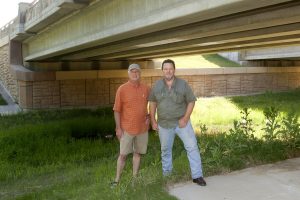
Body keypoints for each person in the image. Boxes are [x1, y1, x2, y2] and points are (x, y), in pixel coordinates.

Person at [148, 59, 206, 186]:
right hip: (164, 124)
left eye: (170, 68)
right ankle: (167, 176)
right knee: (165, 151)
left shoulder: (183, 84)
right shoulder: (157, 85)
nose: (168, 71)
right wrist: (153, 120)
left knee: (192, 147)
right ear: (162, 70)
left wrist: (185, 118)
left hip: (182, 123)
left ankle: (197, 176)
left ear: (174, 70)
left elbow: (191, 101)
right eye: (165, 69)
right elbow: (152, 103)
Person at [112, 63, 150, 186]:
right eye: (132, 71)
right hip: (126, 129)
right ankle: (116, 180)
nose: (135, 74)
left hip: (142, 129)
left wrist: (150, 116)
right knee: (122, 155)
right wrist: (118, 128)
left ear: (140, 73)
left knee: (137, 153)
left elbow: (153, 103)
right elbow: (116, 110)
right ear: (128, 73)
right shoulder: (122, 89)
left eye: (137, 71)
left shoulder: (146, 88)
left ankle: (135, 179)